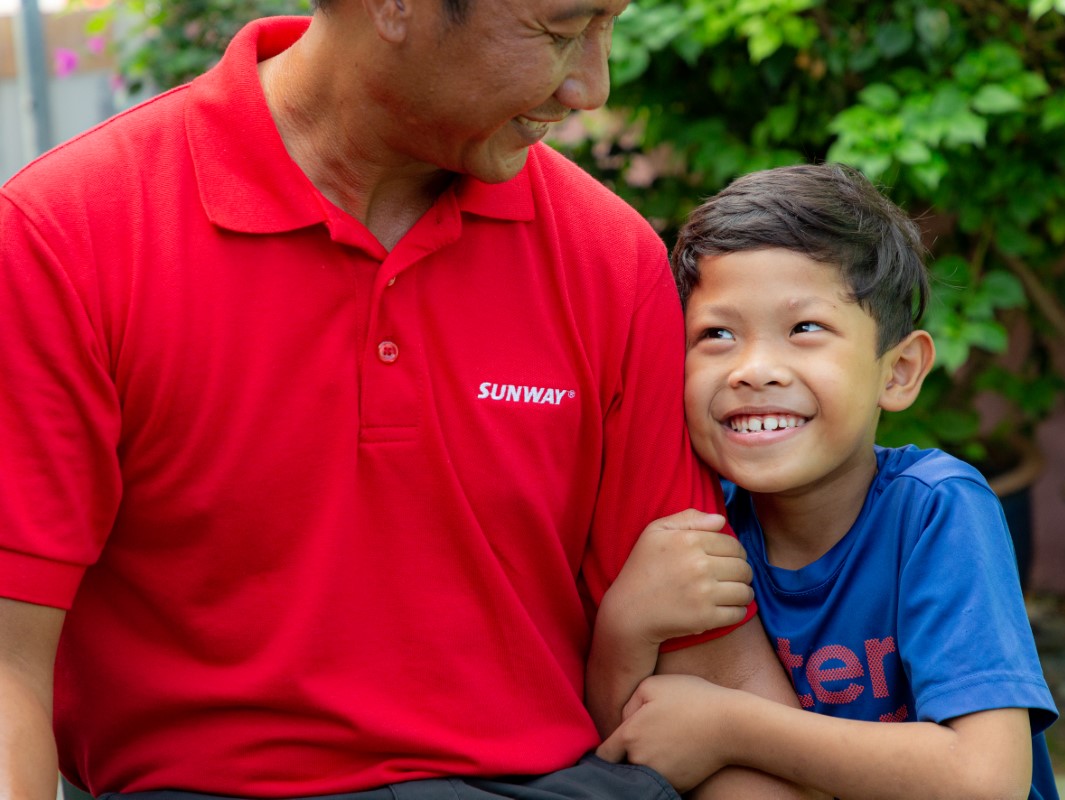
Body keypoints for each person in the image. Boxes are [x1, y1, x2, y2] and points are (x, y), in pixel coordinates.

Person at [0, 2, 816, 799]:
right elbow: (8, 673)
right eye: (560, 32)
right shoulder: (67, 235)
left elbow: (711, 670)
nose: (590, 88)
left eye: (609, 27)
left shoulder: (609, 258)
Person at [593, 164, 1060, 799]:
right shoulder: (700, 528)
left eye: (805, 328)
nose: (753, 369)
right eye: (716, 334)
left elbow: (984, 779)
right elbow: (636, 744)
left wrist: (732, 726)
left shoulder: (936, 511)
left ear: (897, 373)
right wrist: (625, 625)